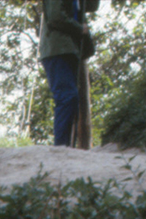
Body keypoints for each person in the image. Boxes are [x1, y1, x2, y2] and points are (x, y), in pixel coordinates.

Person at [39, 0, 89, 147]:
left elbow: (93, 6)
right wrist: (79, 29)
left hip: (68, 49)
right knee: (67, 97)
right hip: (57, 49)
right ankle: (61, 147)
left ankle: (66, 147)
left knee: (71, 101)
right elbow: (55, 17)